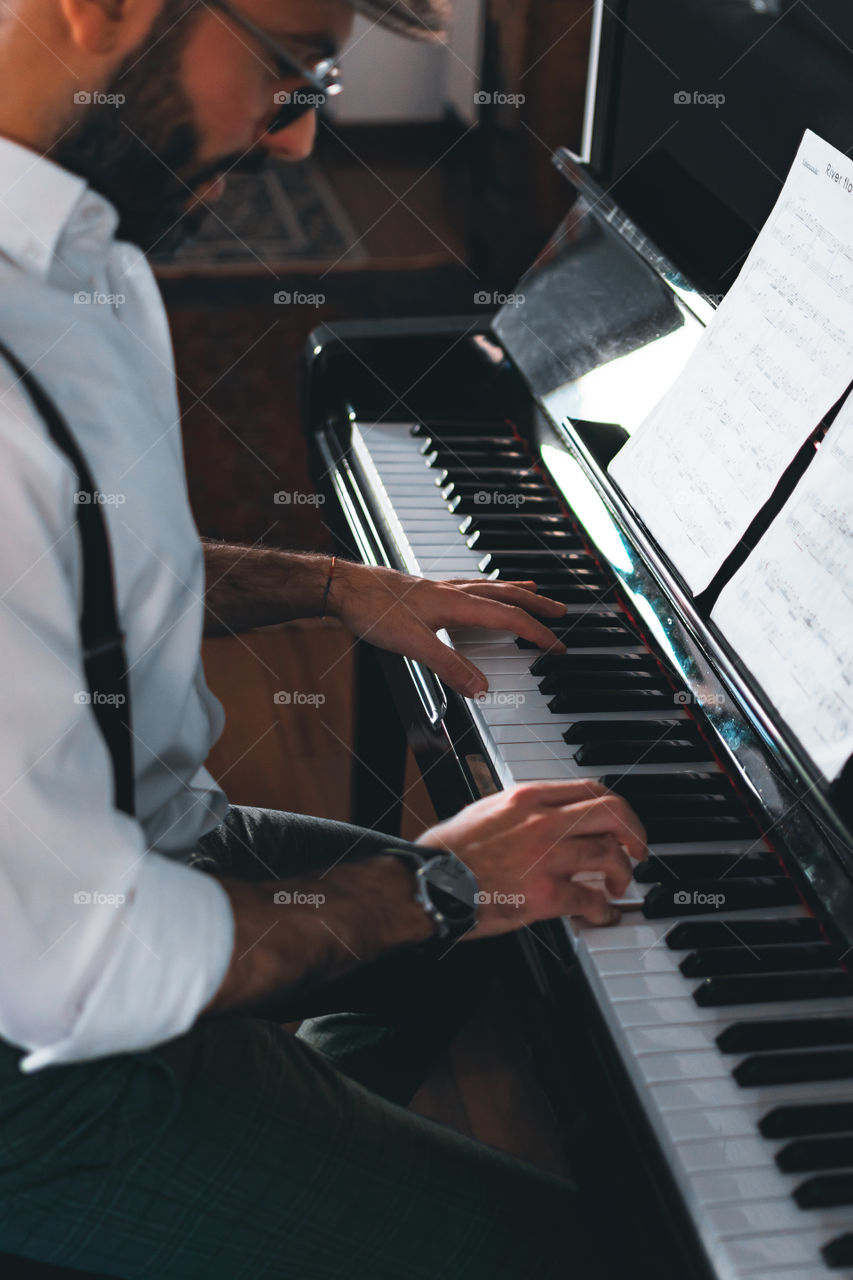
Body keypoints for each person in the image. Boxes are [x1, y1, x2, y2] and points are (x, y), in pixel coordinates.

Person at [0, 2, 647, 1276]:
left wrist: (333, 583)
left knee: (534, 928)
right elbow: (75, 967)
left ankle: (282, 1144)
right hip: (45, 1058)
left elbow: (70, 565)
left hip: (147, 842)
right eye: (290, 67)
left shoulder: (68, 236)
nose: (295, 140)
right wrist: (439, 883)